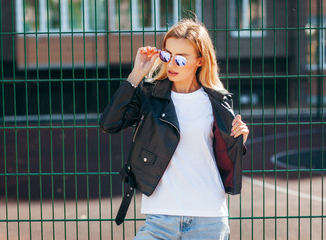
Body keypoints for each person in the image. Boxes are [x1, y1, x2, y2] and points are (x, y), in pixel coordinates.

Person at [99, 18, 249, 240]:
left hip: (207, 217)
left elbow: (223, 153)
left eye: (180, 59)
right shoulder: (150, 96)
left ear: (200, 61)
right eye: (167, 55)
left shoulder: (217, 102)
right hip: (161, 218)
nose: (171, 64)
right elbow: (109, 124)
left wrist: (240, 139)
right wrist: (136, 75)